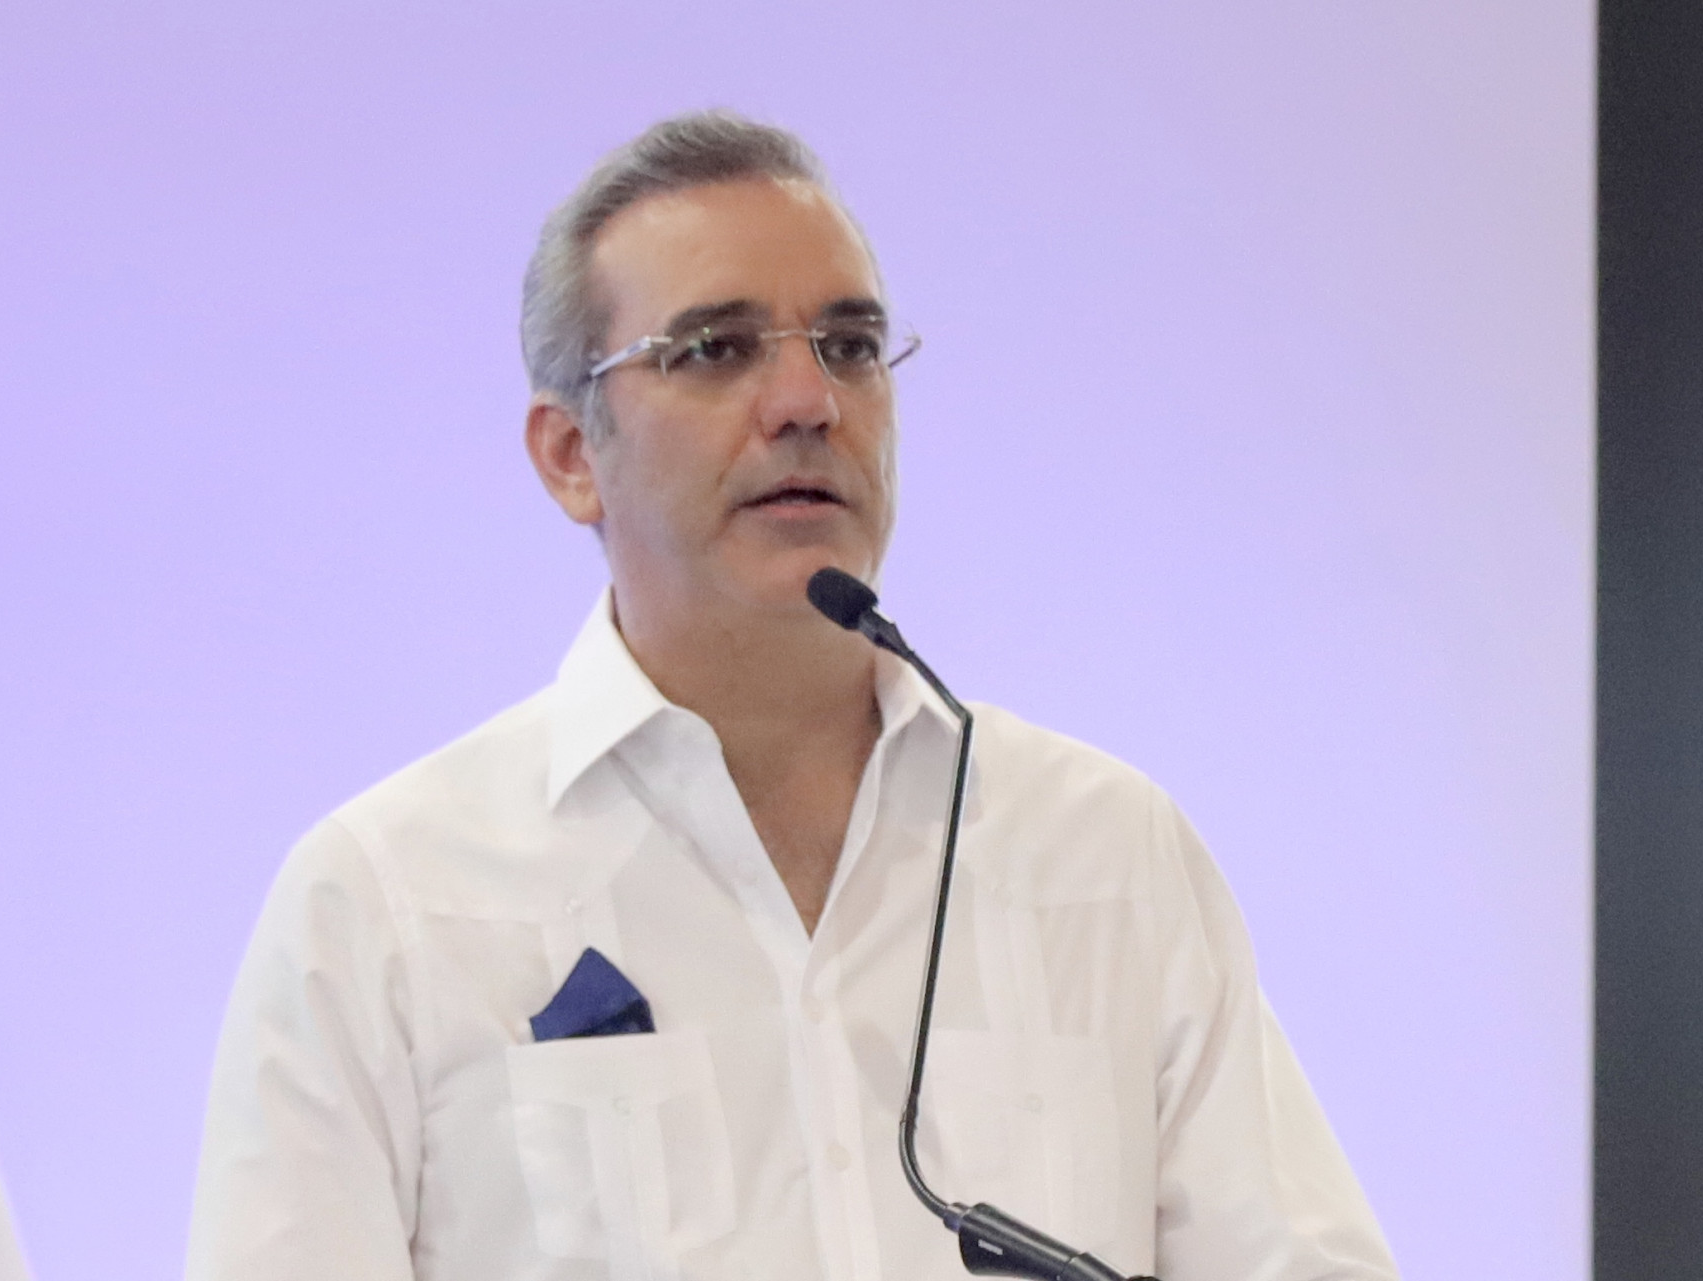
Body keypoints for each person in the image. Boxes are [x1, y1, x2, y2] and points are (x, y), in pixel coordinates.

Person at [185, 111, 1400, 1281]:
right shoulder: (388, 901)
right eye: (716, 350)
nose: (809, 402)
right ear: (570, 455)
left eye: (851, 346)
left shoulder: (1101, 850)